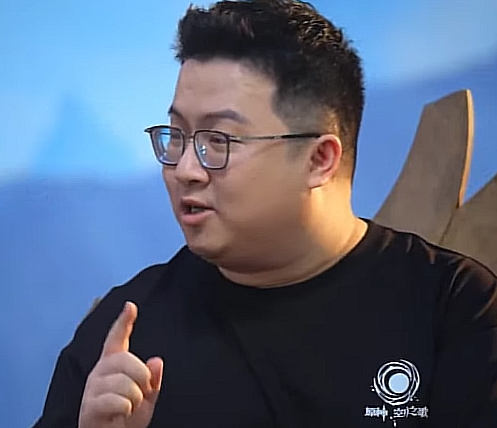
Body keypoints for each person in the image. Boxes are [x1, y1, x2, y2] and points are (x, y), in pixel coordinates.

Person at [33, 0, 497, 427]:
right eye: (177, 136)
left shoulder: (458, 309)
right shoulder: (126, 338)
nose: (185, 170)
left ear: (319, 159)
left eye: (218, 141)